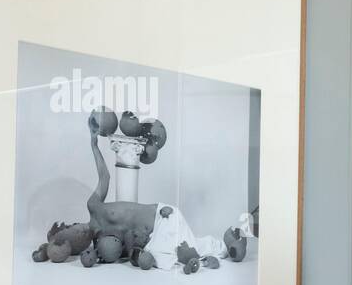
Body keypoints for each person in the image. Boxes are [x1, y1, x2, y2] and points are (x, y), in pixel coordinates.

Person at [38, 115, 250, 271]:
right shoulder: (101, 245)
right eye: (74, 238)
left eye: (72, 229)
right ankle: (221, 250)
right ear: (77, 246)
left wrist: (94, 145)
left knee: (192, 247)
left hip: (161, 216)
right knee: (178, 253)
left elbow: (105, 177)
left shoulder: (93, 206)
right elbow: (131, 249)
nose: (77, 231)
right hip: (153, 241)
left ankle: (228, 244)